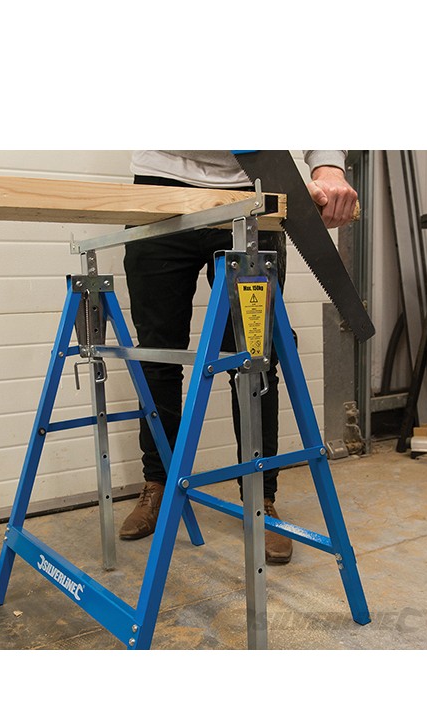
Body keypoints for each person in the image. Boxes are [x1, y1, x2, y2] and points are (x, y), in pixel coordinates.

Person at [118, 151, 358, 564]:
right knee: (158, 356)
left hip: (251, 186)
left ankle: (260, 497)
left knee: (255, 361)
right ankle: (157, 483)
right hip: (161, 184)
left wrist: (329, 166)